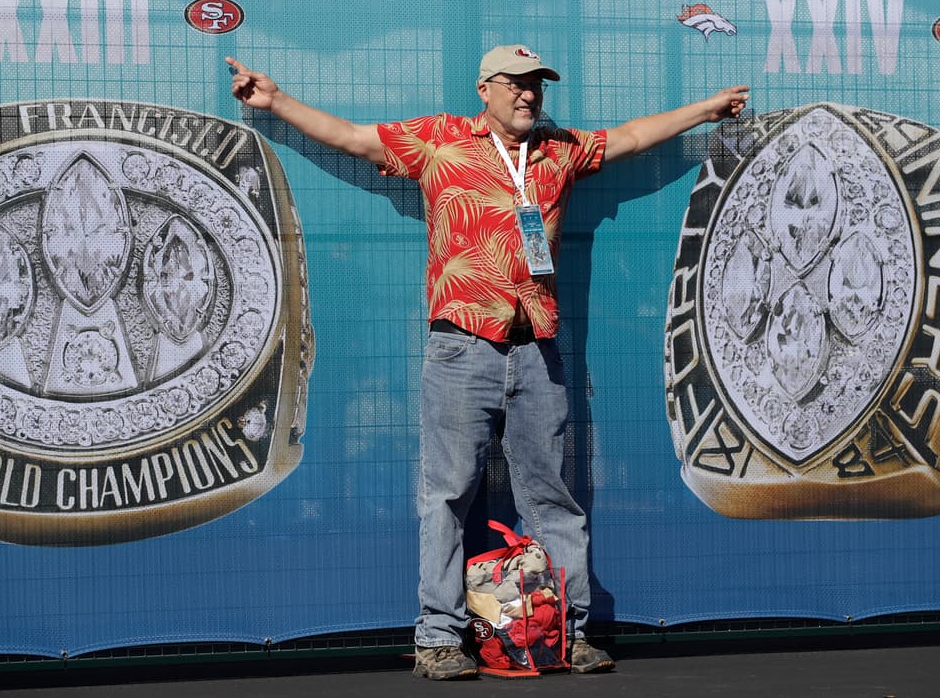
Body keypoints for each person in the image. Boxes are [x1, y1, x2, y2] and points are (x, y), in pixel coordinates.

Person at [227, 46, 748, 680]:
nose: (530, 96)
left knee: (552, 498)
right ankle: (439, 639)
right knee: (447, 496)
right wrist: (275, 102)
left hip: (537, 349)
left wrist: (707, 109)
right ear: (486, 89)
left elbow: (634, 138)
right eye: (517, 85)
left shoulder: (557, 151)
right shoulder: (441, 139)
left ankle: (568, 631)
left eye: (537, 86)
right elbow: (356, 140)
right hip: (461, 346)